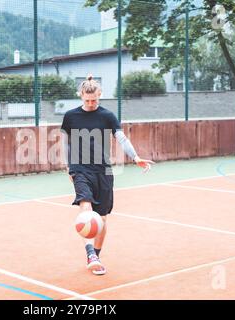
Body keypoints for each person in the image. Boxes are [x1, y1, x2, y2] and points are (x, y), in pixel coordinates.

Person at [60, 74, 154, 275]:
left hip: (103, 170)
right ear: (81, 96)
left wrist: (135, 157)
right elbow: (65, 142)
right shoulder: (70, 116)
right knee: (85, 205)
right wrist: (68, 166)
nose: (91, 103)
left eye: (95, 100)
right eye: (87, 100)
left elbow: (122, 139)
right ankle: (90, 254)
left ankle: (97, 254)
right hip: (80, 168)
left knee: (101, 218)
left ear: (100, 95)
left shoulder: (108, 116)